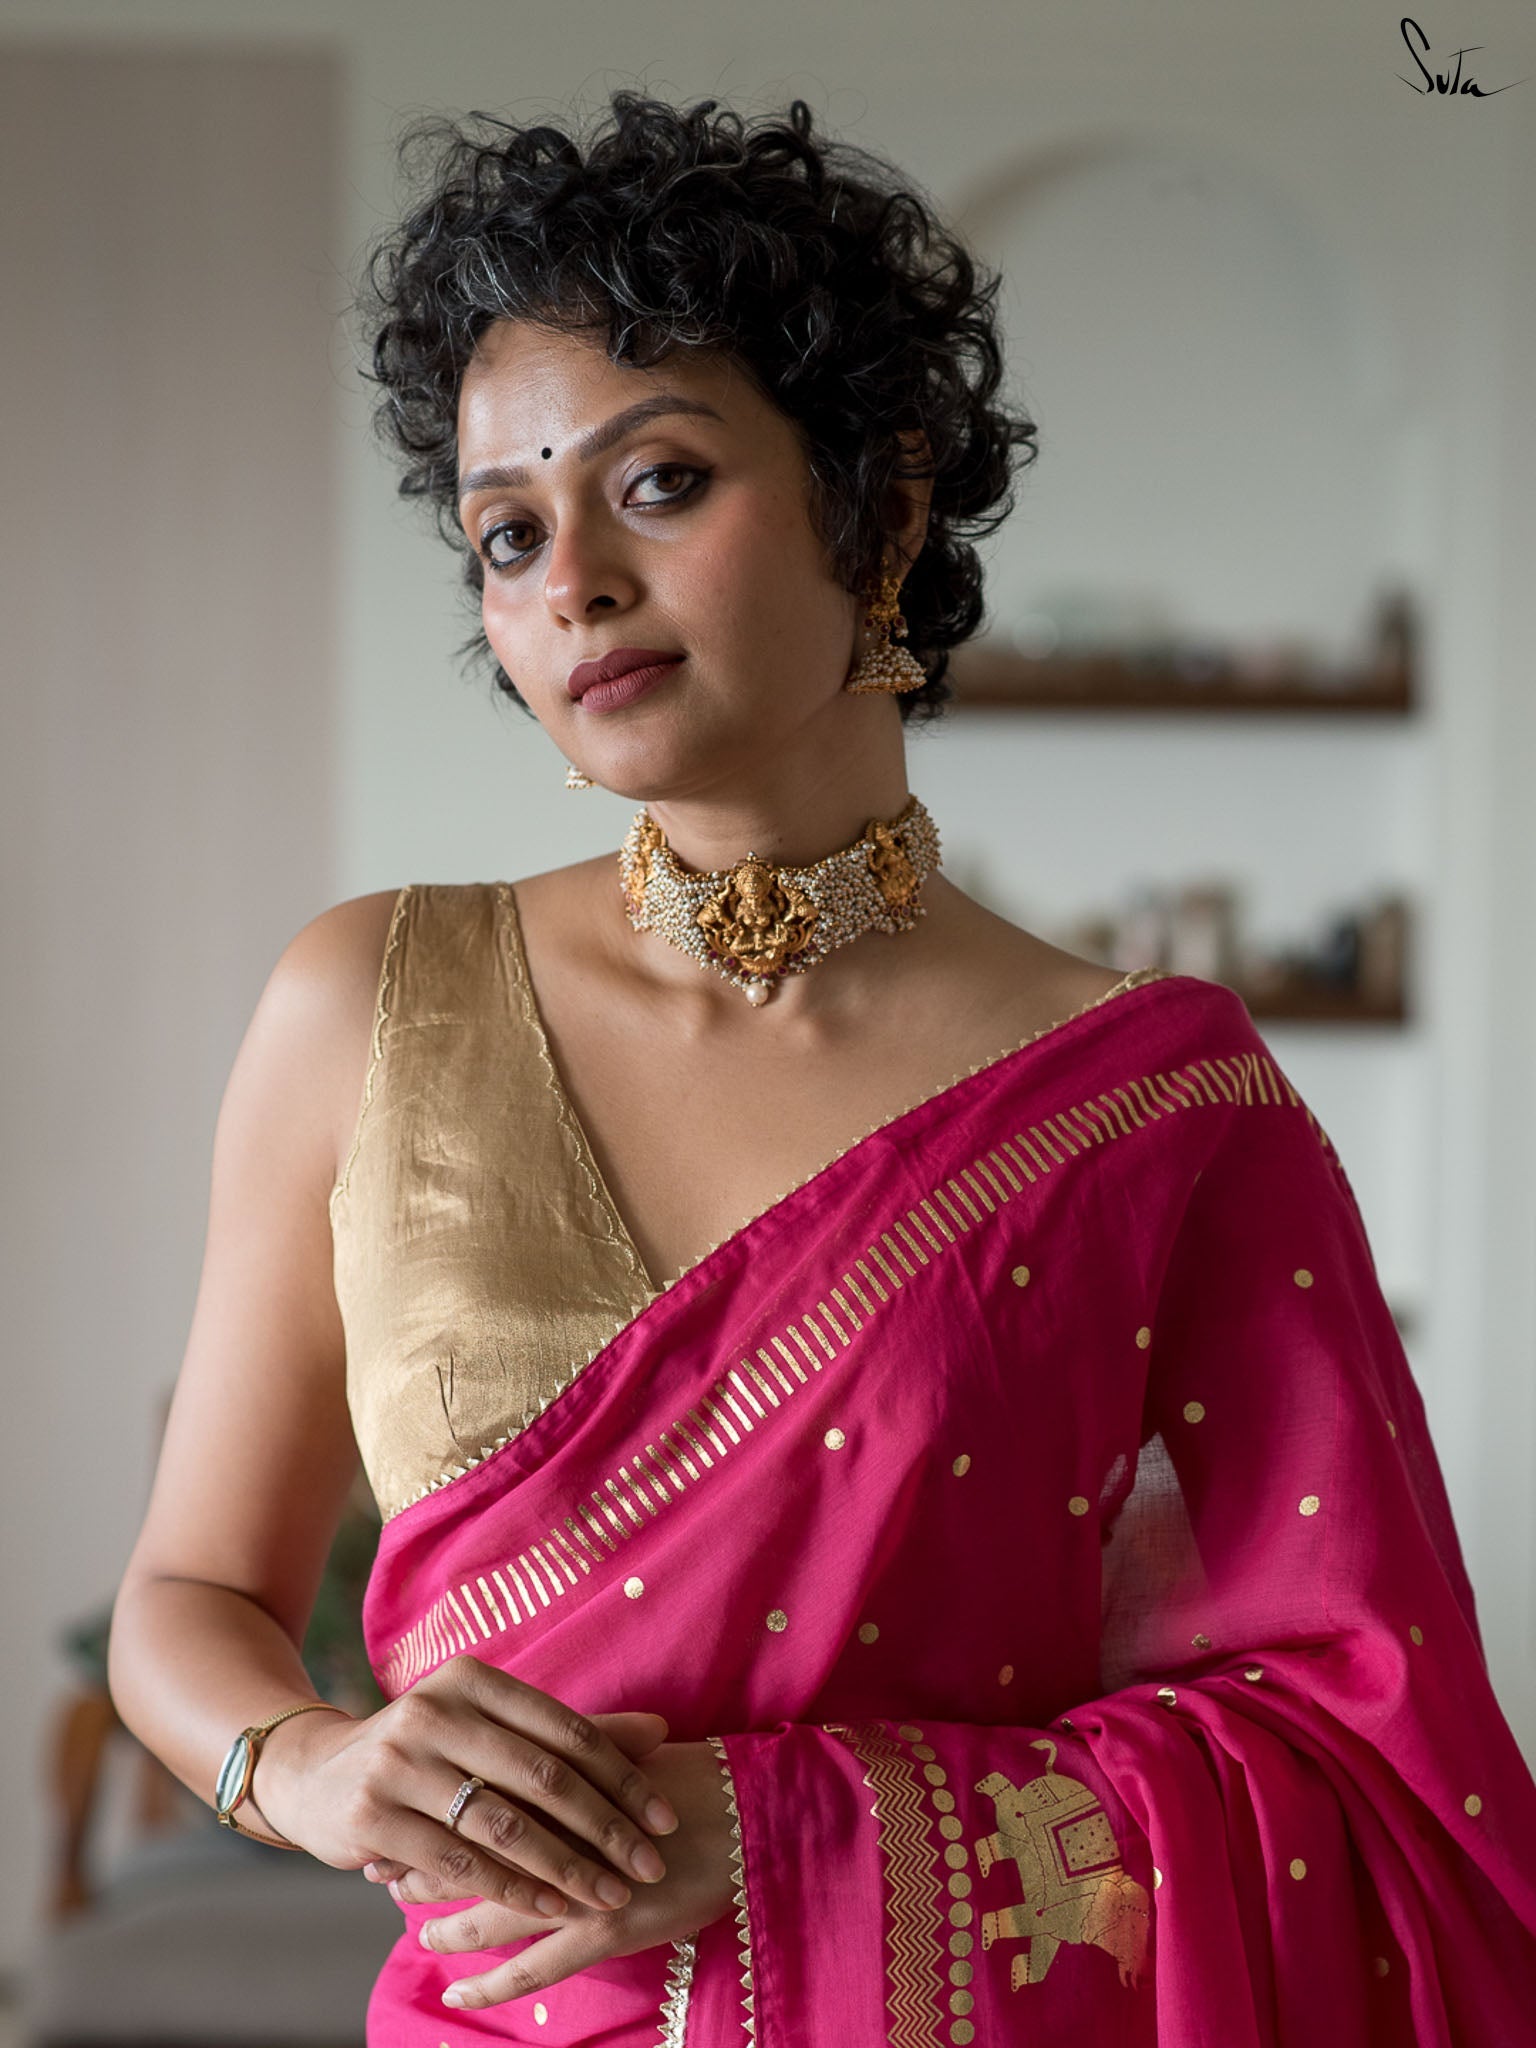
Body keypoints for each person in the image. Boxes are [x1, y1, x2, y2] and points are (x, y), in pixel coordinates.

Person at [106, 90, 1536, 2046]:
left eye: (659, 480)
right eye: (507, 534)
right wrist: (314, 1768)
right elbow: (189, 1597)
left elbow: (1362, 1758)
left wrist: (804, 1831)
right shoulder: (367, 1001)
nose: (570, 580)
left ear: (881, 502)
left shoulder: (1156, 1107)